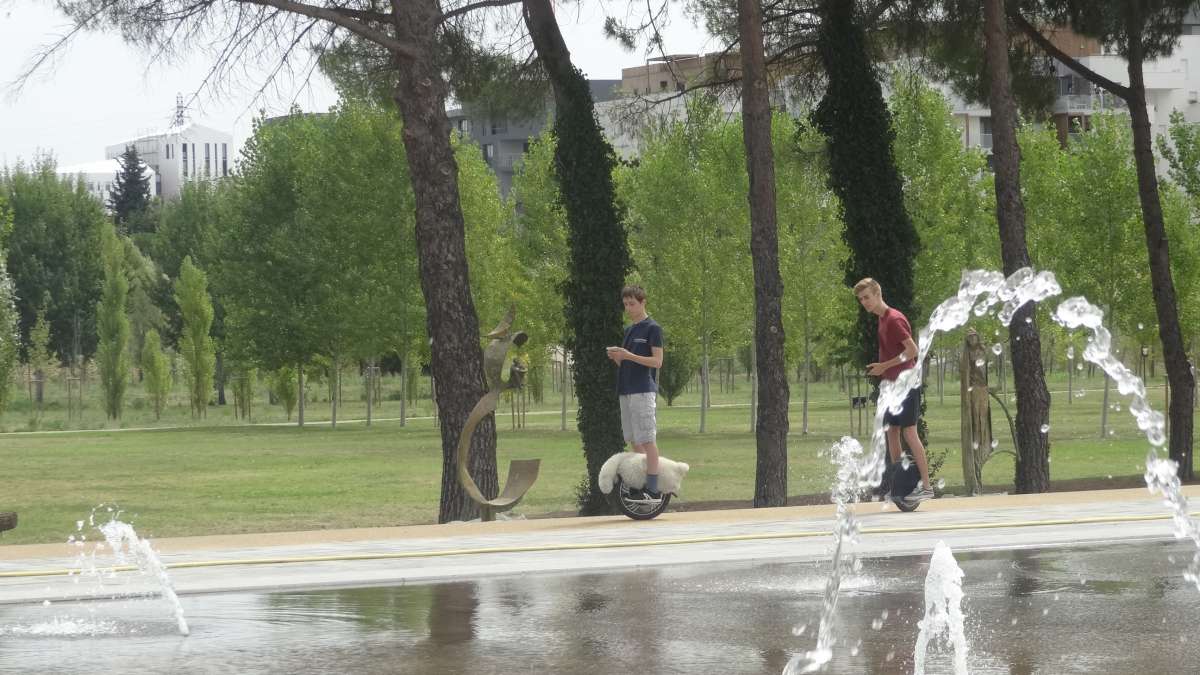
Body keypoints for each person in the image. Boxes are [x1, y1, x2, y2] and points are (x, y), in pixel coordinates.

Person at [854, 277, 934, 504]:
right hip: (891, 386)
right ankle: (901, 484)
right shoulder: (882, 319)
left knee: (910, 433)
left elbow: (912, 351)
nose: (864, 302)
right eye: (861, 299)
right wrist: (884, 372)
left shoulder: (894, 319)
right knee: (891, 432)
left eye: (867, 297)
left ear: (878, 294)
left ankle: (927, 487)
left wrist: (884, 366)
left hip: (906, 384)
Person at [607, 285, 665, 499]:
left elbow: (657, 362)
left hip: (642, 391)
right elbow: (628, 364)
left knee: (647, 439)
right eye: (625, 304)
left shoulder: (653, 329)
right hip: (626, 390)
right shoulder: (629, 330)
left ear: (643, 303)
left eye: (632, 304)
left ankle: (654, 489)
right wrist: (618, 358)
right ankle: (641, 482)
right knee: (633, 439)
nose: (628, 308)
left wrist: (628, 355)